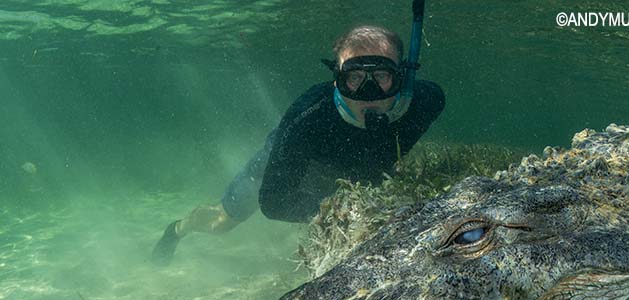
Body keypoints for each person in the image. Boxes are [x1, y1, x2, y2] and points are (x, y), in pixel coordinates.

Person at [152, 22, 444, 264]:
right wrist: (345, 212)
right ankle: (177, 230)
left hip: (348, 172)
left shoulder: (427, 101)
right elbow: (273, 202)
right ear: (336, 79)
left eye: (381, 76)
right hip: (291, 167)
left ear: (402, 78)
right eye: (354, 77)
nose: (369, 92)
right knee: (221, 223)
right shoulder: (308, 116)